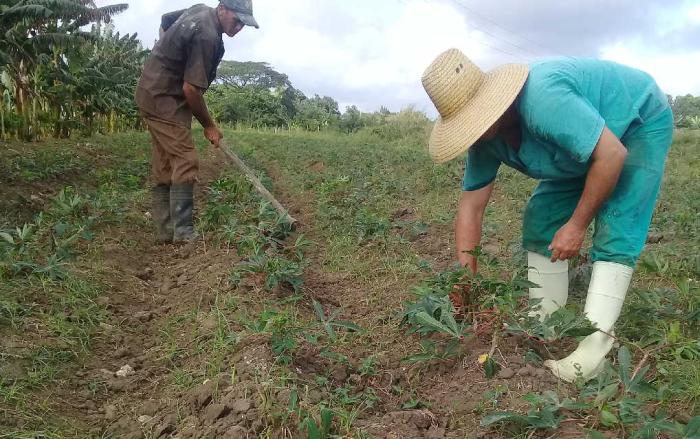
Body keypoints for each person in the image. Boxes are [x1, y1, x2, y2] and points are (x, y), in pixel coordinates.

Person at [421, 49, 673, 382]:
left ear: (492, 102)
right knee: (541, 217)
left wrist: (577, 225)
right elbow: (471, 207)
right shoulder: (485, 139)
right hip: (583, 150)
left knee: (616, 223)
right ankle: (547, 318)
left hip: (634, 124)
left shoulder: (543, 100)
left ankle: (594, 349)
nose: (474, 130)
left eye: (474, 119)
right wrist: (466, 281)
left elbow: (610, 155)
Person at [135, 1, 259, 244]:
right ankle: (182, 233)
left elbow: (165, 21)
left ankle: (165, 231)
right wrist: (209, 126)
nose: (239, 28)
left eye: (244, 24)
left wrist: (164, 56)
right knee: (185, 159)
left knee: (165, 161)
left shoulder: (200, 9)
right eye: (237, 20)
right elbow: (191, 89)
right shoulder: (207, 35)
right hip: (163, 98)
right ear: (222, 9)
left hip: (154, 92)